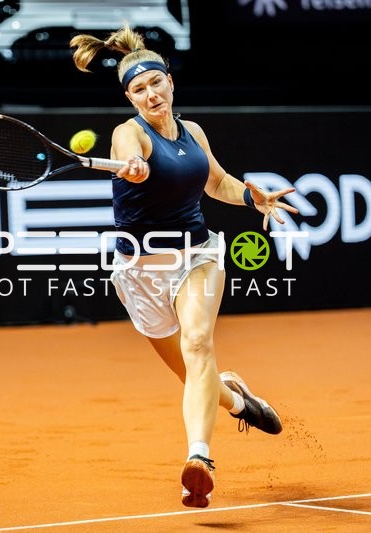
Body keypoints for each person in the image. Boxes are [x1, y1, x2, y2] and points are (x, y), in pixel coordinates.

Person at [70, 24, 300, 508]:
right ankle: (240, 401)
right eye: (138, 89)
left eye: (155, 82)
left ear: (170, 82)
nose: (150, 94)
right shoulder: (125, 134)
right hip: (138, 273)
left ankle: (199, 461)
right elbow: (130, 156)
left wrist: (252, 197)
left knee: (198, 344)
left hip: (196, 255)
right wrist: (132, 167)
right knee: (198, 377)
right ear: (130, 98)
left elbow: (216, 183)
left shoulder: (193, 131)